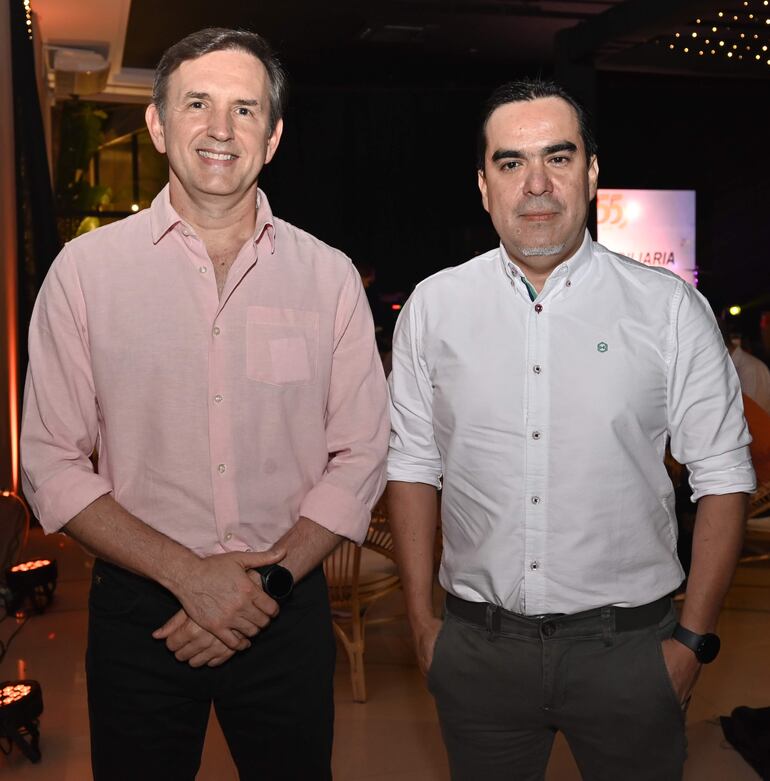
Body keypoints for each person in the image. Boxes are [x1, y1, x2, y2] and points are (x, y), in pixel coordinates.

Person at [20, 28, 389, 781]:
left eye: (245, 109)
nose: (221, 128)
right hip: (140, 617)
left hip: (285, 607)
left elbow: (362, 451)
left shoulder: (329, 278)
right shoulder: (84, 274)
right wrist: (189, 577)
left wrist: (264, 585)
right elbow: (49, 461)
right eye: (198, 104)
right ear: (158, 124)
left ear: (272, 137)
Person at [386, 78, 755, 780]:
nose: (536, 184)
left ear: (590, 174)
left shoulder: (669, 309)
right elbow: (411, 465)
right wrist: (421, 624)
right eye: (511, 162)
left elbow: (724, 476)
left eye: (558, 158)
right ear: (483, 185)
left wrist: (692, 643)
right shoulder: (434, 307)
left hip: (631, 651)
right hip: (478, 650)